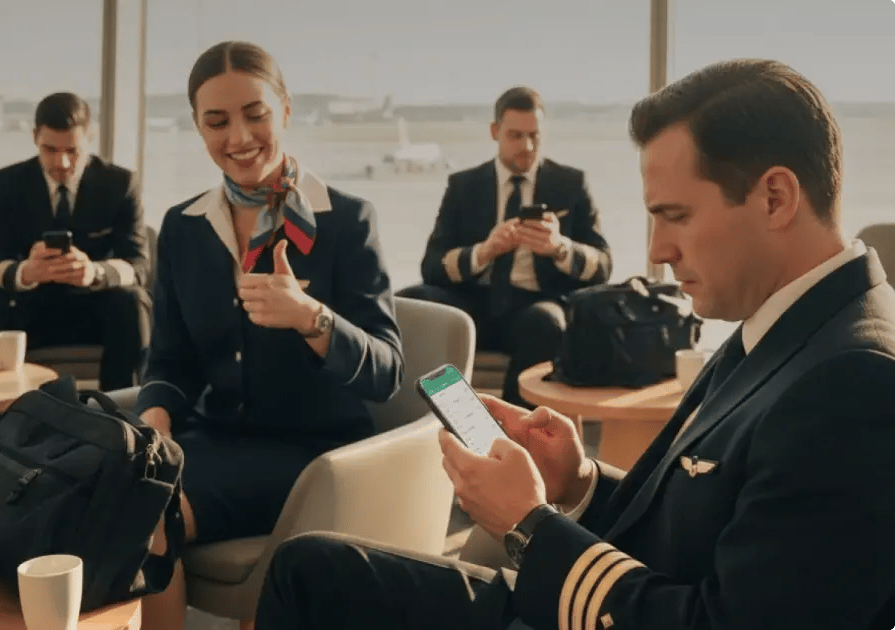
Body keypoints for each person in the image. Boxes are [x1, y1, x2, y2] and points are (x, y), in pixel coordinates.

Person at [255, 58, 895, 630]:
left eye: (675, 216)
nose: (658, 250)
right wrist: (578, 481)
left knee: (310, 582)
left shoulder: (855, 382)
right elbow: (703, 524)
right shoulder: (793, 322)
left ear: (775, 198)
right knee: (308, 569)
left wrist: (529, 523)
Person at [133, 40, 404, 630]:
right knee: (96, 489)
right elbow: (171, 358)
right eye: (217, 122)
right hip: (213, 438)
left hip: (313, 453)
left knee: (143, 511)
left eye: (255, 114)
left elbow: (387, 372)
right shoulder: (183, 227)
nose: (238, 137)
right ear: (198, 127)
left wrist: (311, 317)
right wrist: (154, 420)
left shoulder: (347, 220)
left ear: (284, 109)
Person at [397, 86, 612, 406]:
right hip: (473, 301)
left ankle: (512, 427)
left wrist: (560, 248)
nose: (527, 146)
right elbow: (432, 266)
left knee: (546, 322)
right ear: (494, 131)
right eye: (515, 135)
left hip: (536, 304)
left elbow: (604, 266)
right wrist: (484, 251)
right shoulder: (464, 186)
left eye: (534, 136)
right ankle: (448, 413)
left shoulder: (570, 184)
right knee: (412, 302)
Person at [0, 92, 151, 390]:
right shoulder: (9, 183)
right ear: (35, 137)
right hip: (30, 308)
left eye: (72, 151)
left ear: (90, 138)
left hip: (95, 309)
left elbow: (139, 264)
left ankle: (121, 409)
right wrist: (26, 272)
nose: (61, 162)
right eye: (49, 149)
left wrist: (95, 272)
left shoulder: (119, 183)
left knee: (133, 301)